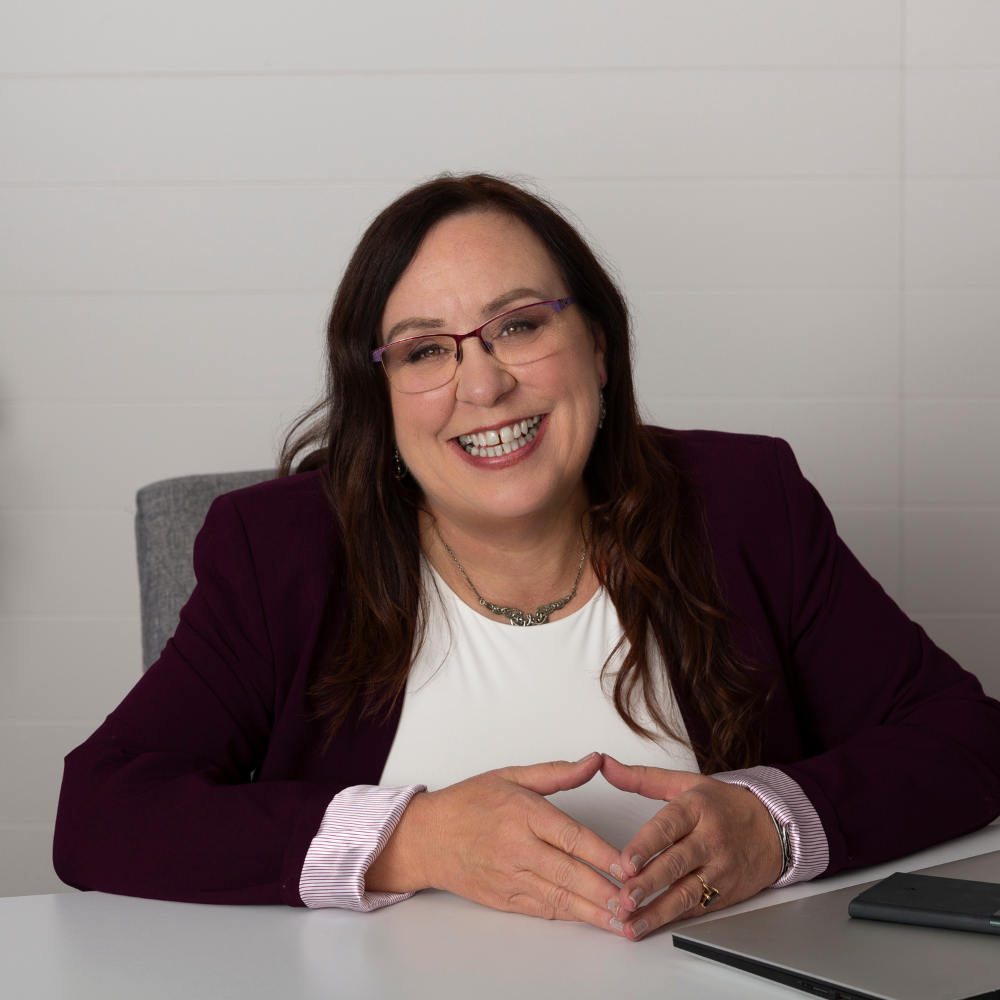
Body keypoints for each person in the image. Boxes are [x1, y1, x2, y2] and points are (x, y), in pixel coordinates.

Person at [54, 174, 1000, 942]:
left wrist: (774, 825)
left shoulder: (745, 504)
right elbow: (101, 813)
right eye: (425, 350)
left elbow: (966, 737)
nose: (485, 382)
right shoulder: (280, 552)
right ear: (378, 397)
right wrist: (410, 839)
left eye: (519, 325)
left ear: (596, 342)